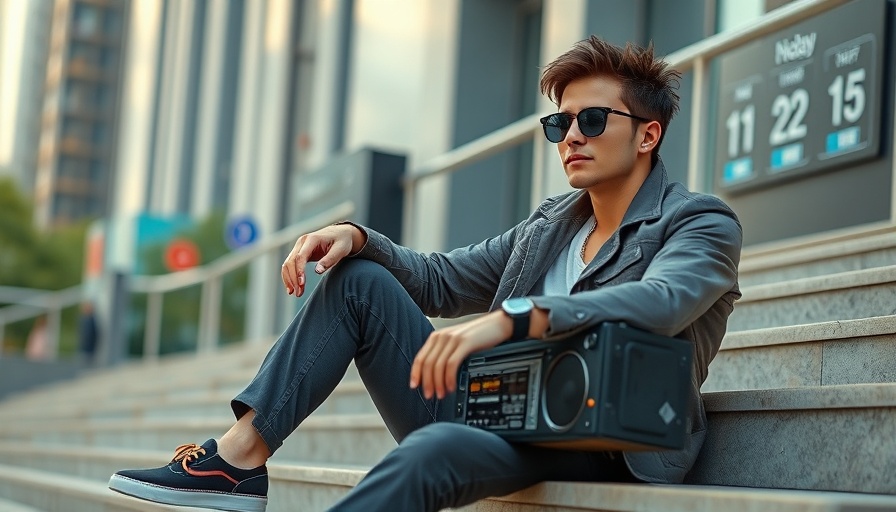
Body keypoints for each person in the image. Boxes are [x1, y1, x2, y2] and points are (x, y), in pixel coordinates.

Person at [108, 36, 742, 512]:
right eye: (559, 122)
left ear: (647, 135)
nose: (570, 136)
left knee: (428, 453)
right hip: (505, 413)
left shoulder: (700, 224)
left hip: (604, 443)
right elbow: (440, 280)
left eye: (592, 120)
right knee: (358, 278)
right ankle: (236, 462)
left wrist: (514, 318)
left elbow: (660, 303)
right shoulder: (552, 224)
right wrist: (357, 235)